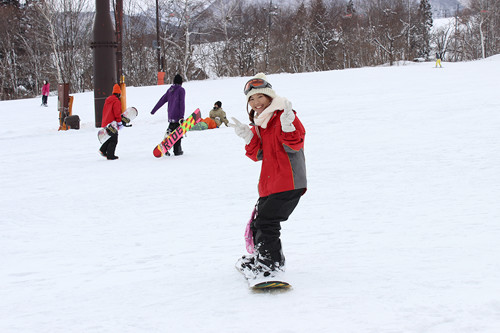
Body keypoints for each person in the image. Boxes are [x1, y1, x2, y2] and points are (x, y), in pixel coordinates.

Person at [230, 73, 307, 279]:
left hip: (289, 182)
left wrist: (289, 127)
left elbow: (295, 144)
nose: (256, 103)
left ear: (270, 96)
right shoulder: (262, 123)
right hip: (270, 183)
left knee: (267, 223)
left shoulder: (284, 115)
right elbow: (259, 155)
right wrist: (248, 137)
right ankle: (261, 258)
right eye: (251, 99)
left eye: (260, 97)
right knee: (258, 222)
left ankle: (270, 266)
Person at [151, 74, 186, 156]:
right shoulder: (181, 90)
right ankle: (177, 151)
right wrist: (182, 116)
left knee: (170, 132)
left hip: (170, 115)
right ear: (181, 82)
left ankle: (166, 147)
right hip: (178, 116)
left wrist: (154, 110)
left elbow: (162, 100)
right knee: (177, 134)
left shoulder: (170, 90)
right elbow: (182, 104)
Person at [99, 84, 123, 160]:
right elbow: (117, 113)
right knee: (114, 140)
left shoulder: (108, 100)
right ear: (119, 93)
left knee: (109, 137)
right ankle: (110, 155)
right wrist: (119, 122)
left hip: (106, 122)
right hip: (112, 123)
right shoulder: (116, 101)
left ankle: (102, 150)